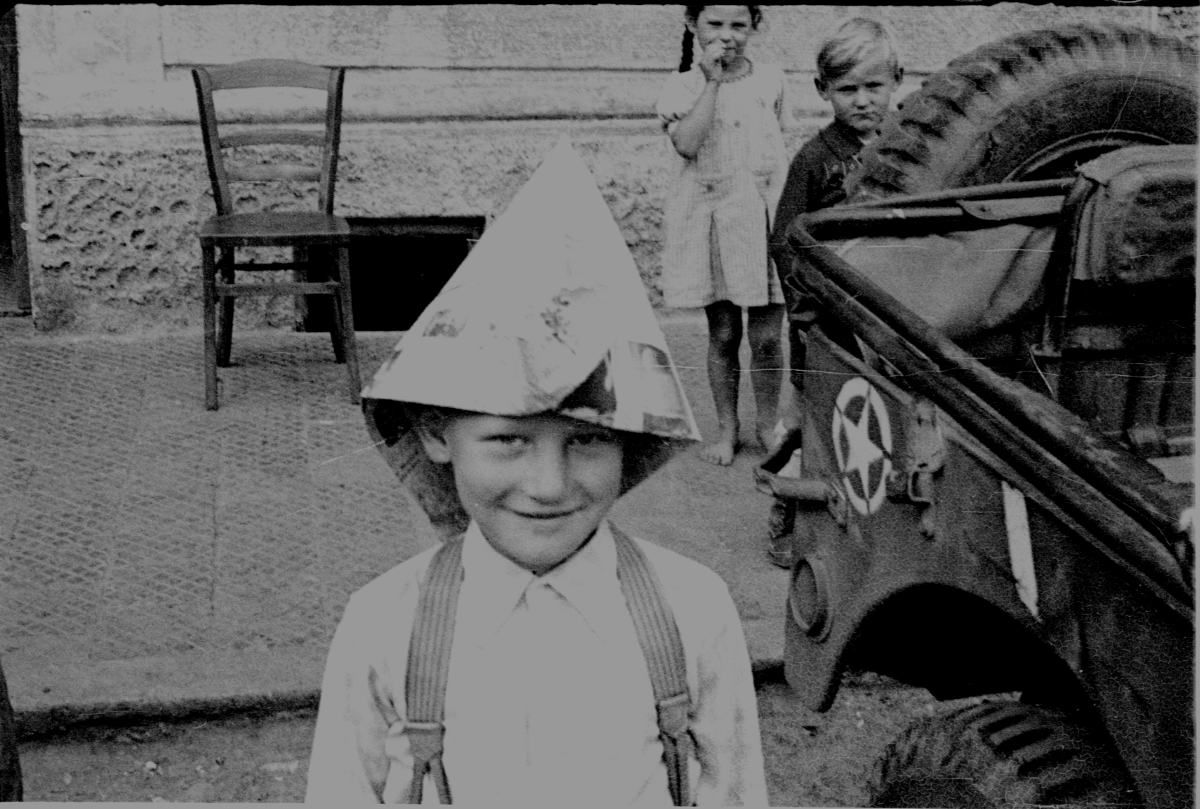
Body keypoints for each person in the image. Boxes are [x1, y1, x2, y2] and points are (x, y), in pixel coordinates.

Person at [305, 140, 768, 805]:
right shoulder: (384, 623)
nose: (548, 485)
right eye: (508, 440)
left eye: (586, 440)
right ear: (436, 430)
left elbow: (737, 792)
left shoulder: (693, 612)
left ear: (630, 441)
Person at [763, 17, 904, 567]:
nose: (863, 101)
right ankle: (786, 512)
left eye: (874, 87)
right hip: (824, 320)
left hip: (886, 312)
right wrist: (806, 314)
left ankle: (872, 519)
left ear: (897, 80)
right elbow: (785, 241)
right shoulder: (816, 159)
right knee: (809, 423)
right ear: (823, 91)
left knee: (872, 415)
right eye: (848, 90)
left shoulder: (907, 148)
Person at [656, 5, 788, 466]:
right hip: (713, 220)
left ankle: (767, 425)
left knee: (769, 336)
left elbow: (772, 146)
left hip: (764, 221)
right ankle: (727, 428)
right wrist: (711, 80)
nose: (727, 35)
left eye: (739, 24)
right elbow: (688, 143)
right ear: (693, 26)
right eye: (715, 24)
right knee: (725, 333)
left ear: (755, 26)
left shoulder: (771, 79)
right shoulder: (683, 87)